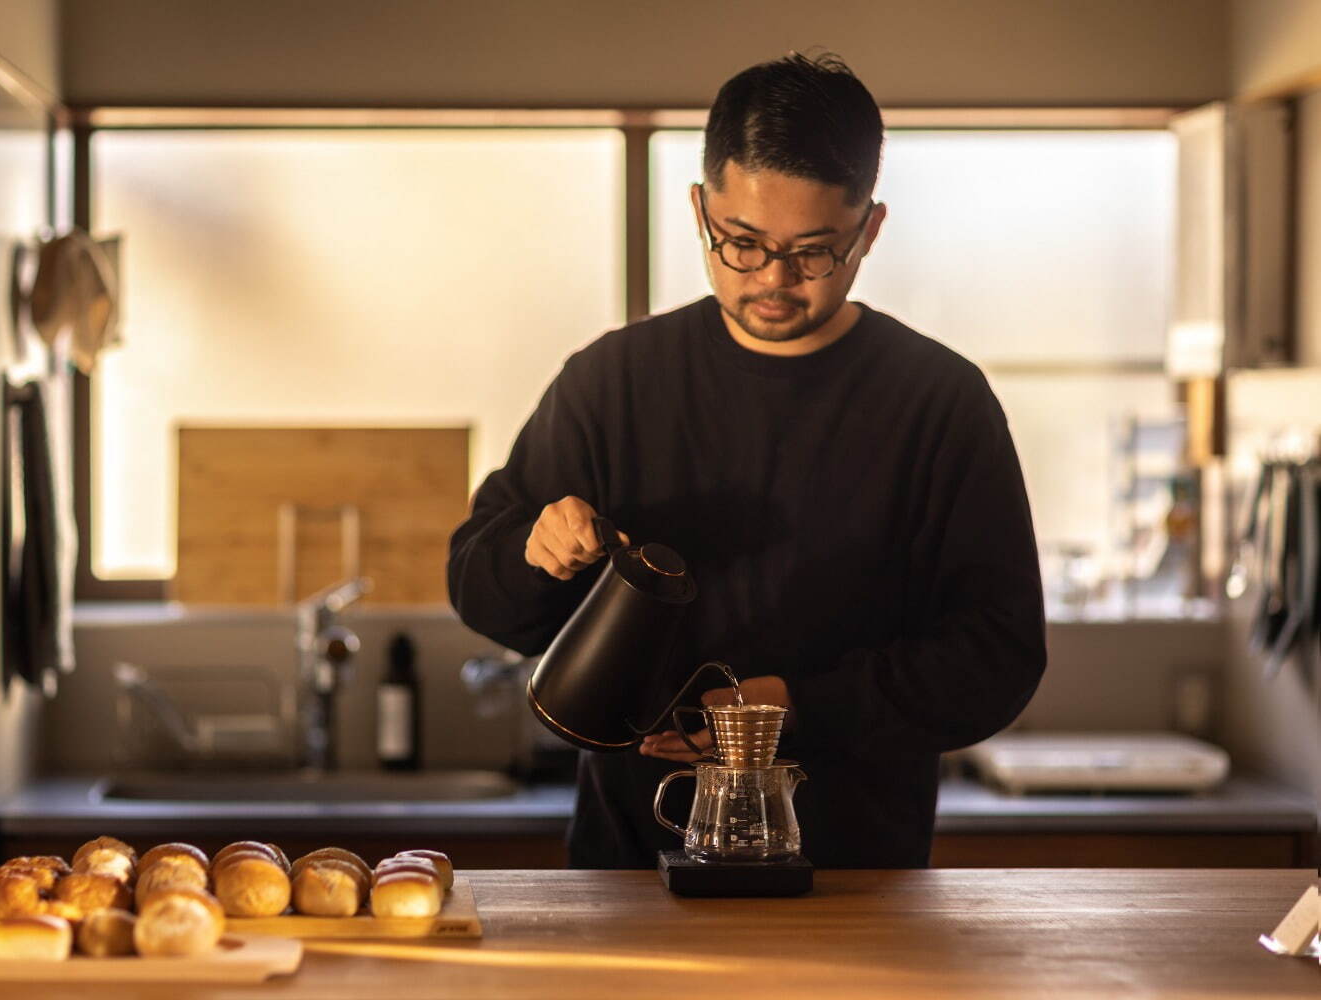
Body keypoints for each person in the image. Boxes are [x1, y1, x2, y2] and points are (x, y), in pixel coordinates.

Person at [447, 52, 1046, 869]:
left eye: (815, 252)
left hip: (857, 882)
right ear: (701, 210)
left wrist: (796, 708)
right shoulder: (613, 382)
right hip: (627, 878)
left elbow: (998, 656)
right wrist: (534, 552)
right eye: (743, 243)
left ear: (869, 229)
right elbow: (479, 590)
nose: (774, 279)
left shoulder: (939, 402)